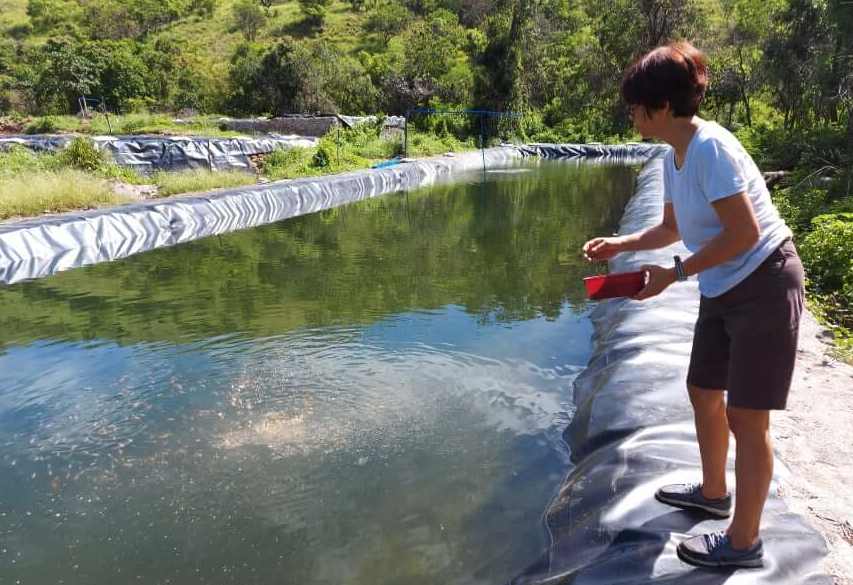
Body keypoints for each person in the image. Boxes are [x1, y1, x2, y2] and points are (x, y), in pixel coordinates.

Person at [582, 41, 804, 569]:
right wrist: (622, 245)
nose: (631, 114)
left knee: (746, 417)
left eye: (635, 106)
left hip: (764, 283)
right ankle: (712, 492)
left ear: (660, 107)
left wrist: (675, 273)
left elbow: (745, 232)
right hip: (724, 287)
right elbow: (671, 228)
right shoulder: (672, 154)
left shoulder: (710, 150)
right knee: (703, 389)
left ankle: (745, 542)